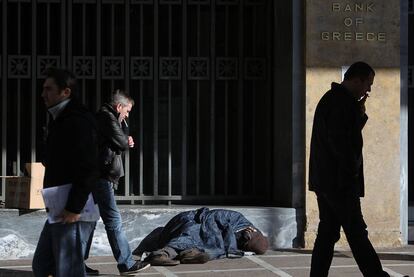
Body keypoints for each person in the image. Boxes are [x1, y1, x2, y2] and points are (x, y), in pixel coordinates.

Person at [308, 61, 390, 277]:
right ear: (356, 80)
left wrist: (359, 113)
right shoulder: (340, 103)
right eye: (368, 84)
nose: (369, 90)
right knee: (356, 233)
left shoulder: (335, 100)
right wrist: (351, 172)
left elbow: (344, 135)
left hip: (327, 180)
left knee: (328, 232)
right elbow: (341, 144)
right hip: (339, 182)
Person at [32, 68, 99, 277]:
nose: (43, 94)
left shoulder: (78, 121)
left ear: (65, 92)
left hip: (71, 208)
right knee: (43, 264)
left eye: (49, 89)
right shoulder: (60, 120)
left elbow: (88, 167)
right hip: (59, 205)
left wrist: (73, 207)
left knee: (68, 269)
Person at [85, 90, 150, 275]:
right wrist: (125, 133)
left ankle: (76, 263)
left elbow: (119, 141)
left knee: (89, 221)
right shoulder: (107, 117)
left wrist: (123, 137)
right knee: (113, 221)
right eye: (127, 110)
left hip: (97, 175)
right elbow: (121, 143)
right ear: (119, 107)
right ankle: (126, 263)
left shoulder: (107, 117)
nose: (127, 114)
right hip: (101, 176)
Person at [132, 207, 269, 266]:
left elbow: (228, 246)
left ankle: (187, 254)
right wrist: (224, 244)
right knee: (194, 231)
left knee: (216, 247)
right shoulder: (236, 218)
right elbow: (209, 221)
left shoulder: (239, 238)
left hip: (200, 235)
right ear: (250, 230)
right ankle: (164, 253)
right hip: (188, 222)